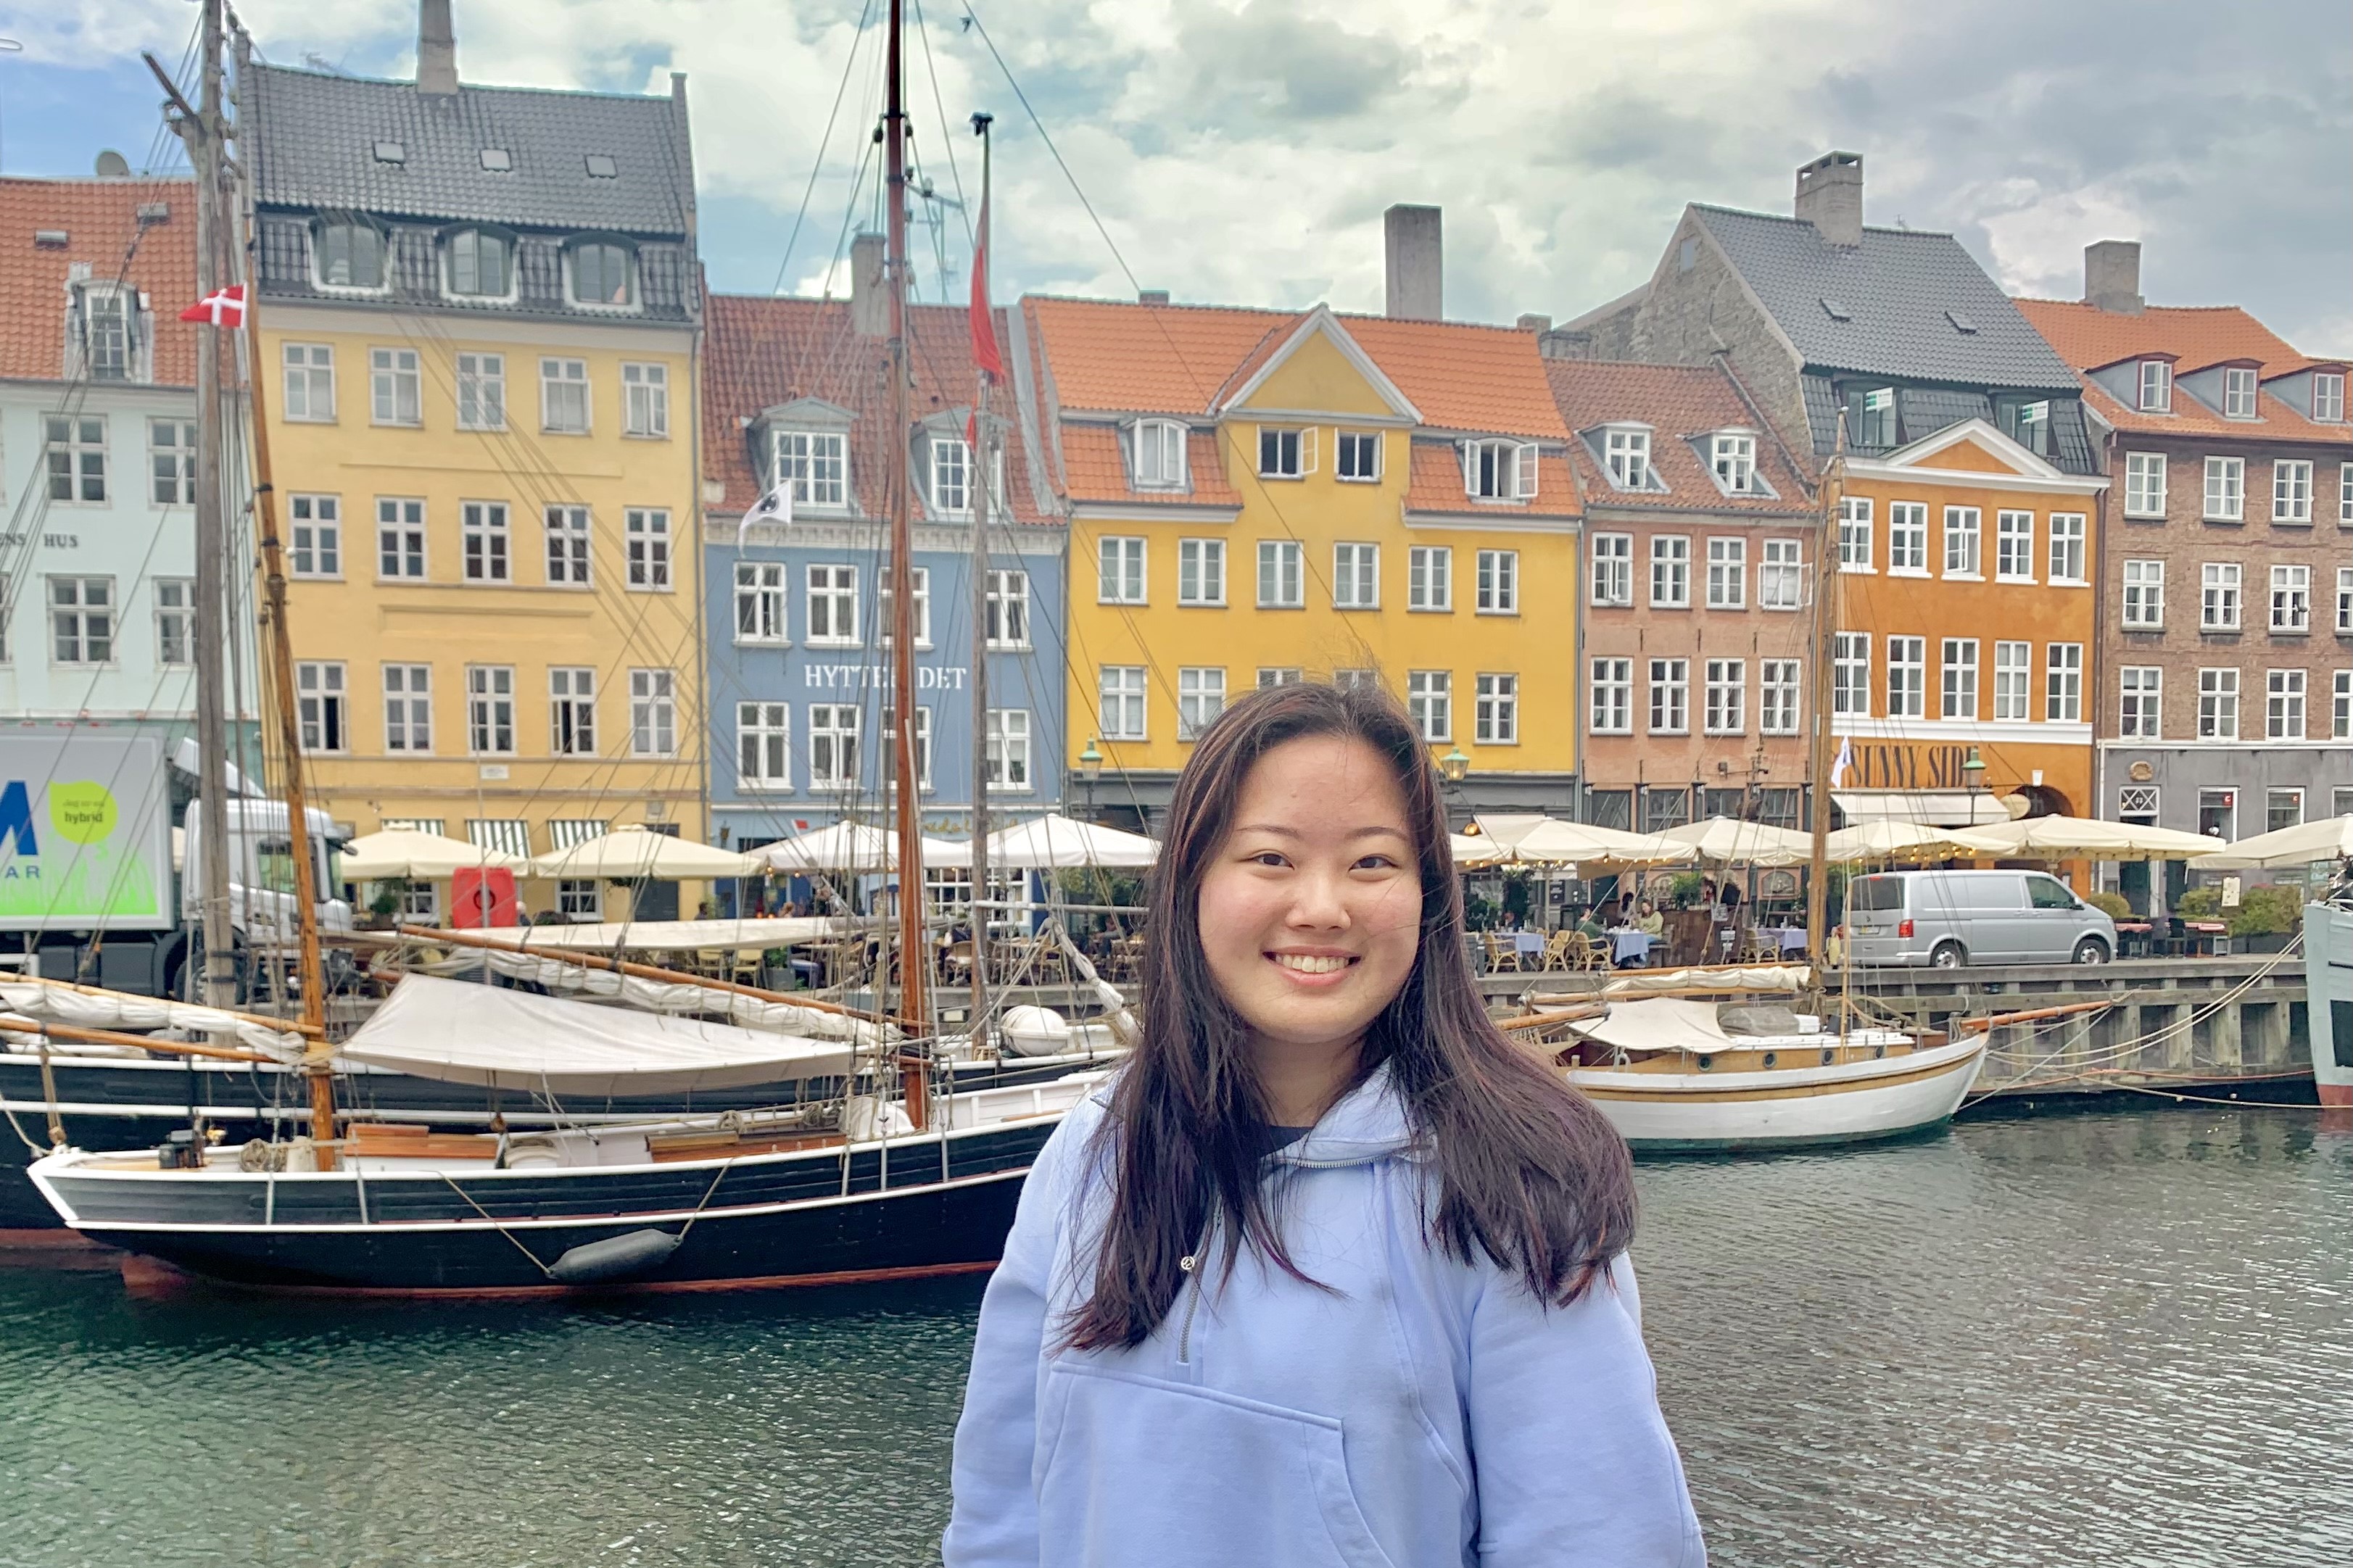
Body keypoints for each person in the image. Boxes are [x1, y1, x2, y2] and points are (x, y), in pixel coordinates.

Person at [944, 683, 1702, 1567]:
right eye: (1270, 857)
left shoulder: (1510, 1192)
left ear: (1427, 896)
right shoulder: (1091, 1154)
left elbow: (1601, 1542)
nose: (1320, 907)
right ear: (1192, 883)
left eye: (1371, 862)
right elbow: (999, 1514)